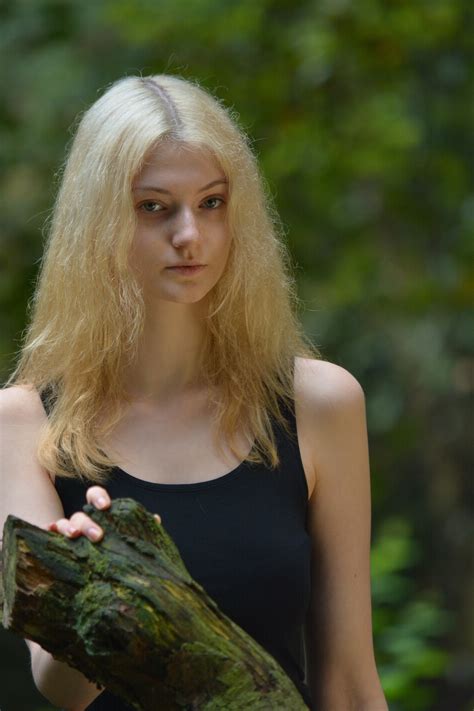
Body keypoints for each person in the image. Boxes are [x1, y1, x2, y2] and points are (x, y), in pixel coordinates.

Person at [0, 74, 388, 711]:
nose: (190, 235)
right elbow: (59, 687)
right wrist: (116, 587)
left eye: (211, 203)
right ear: (97, 222)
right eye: (155, 207)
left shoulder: (319, 406)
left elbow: (348, 684)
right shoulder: (27, 424)